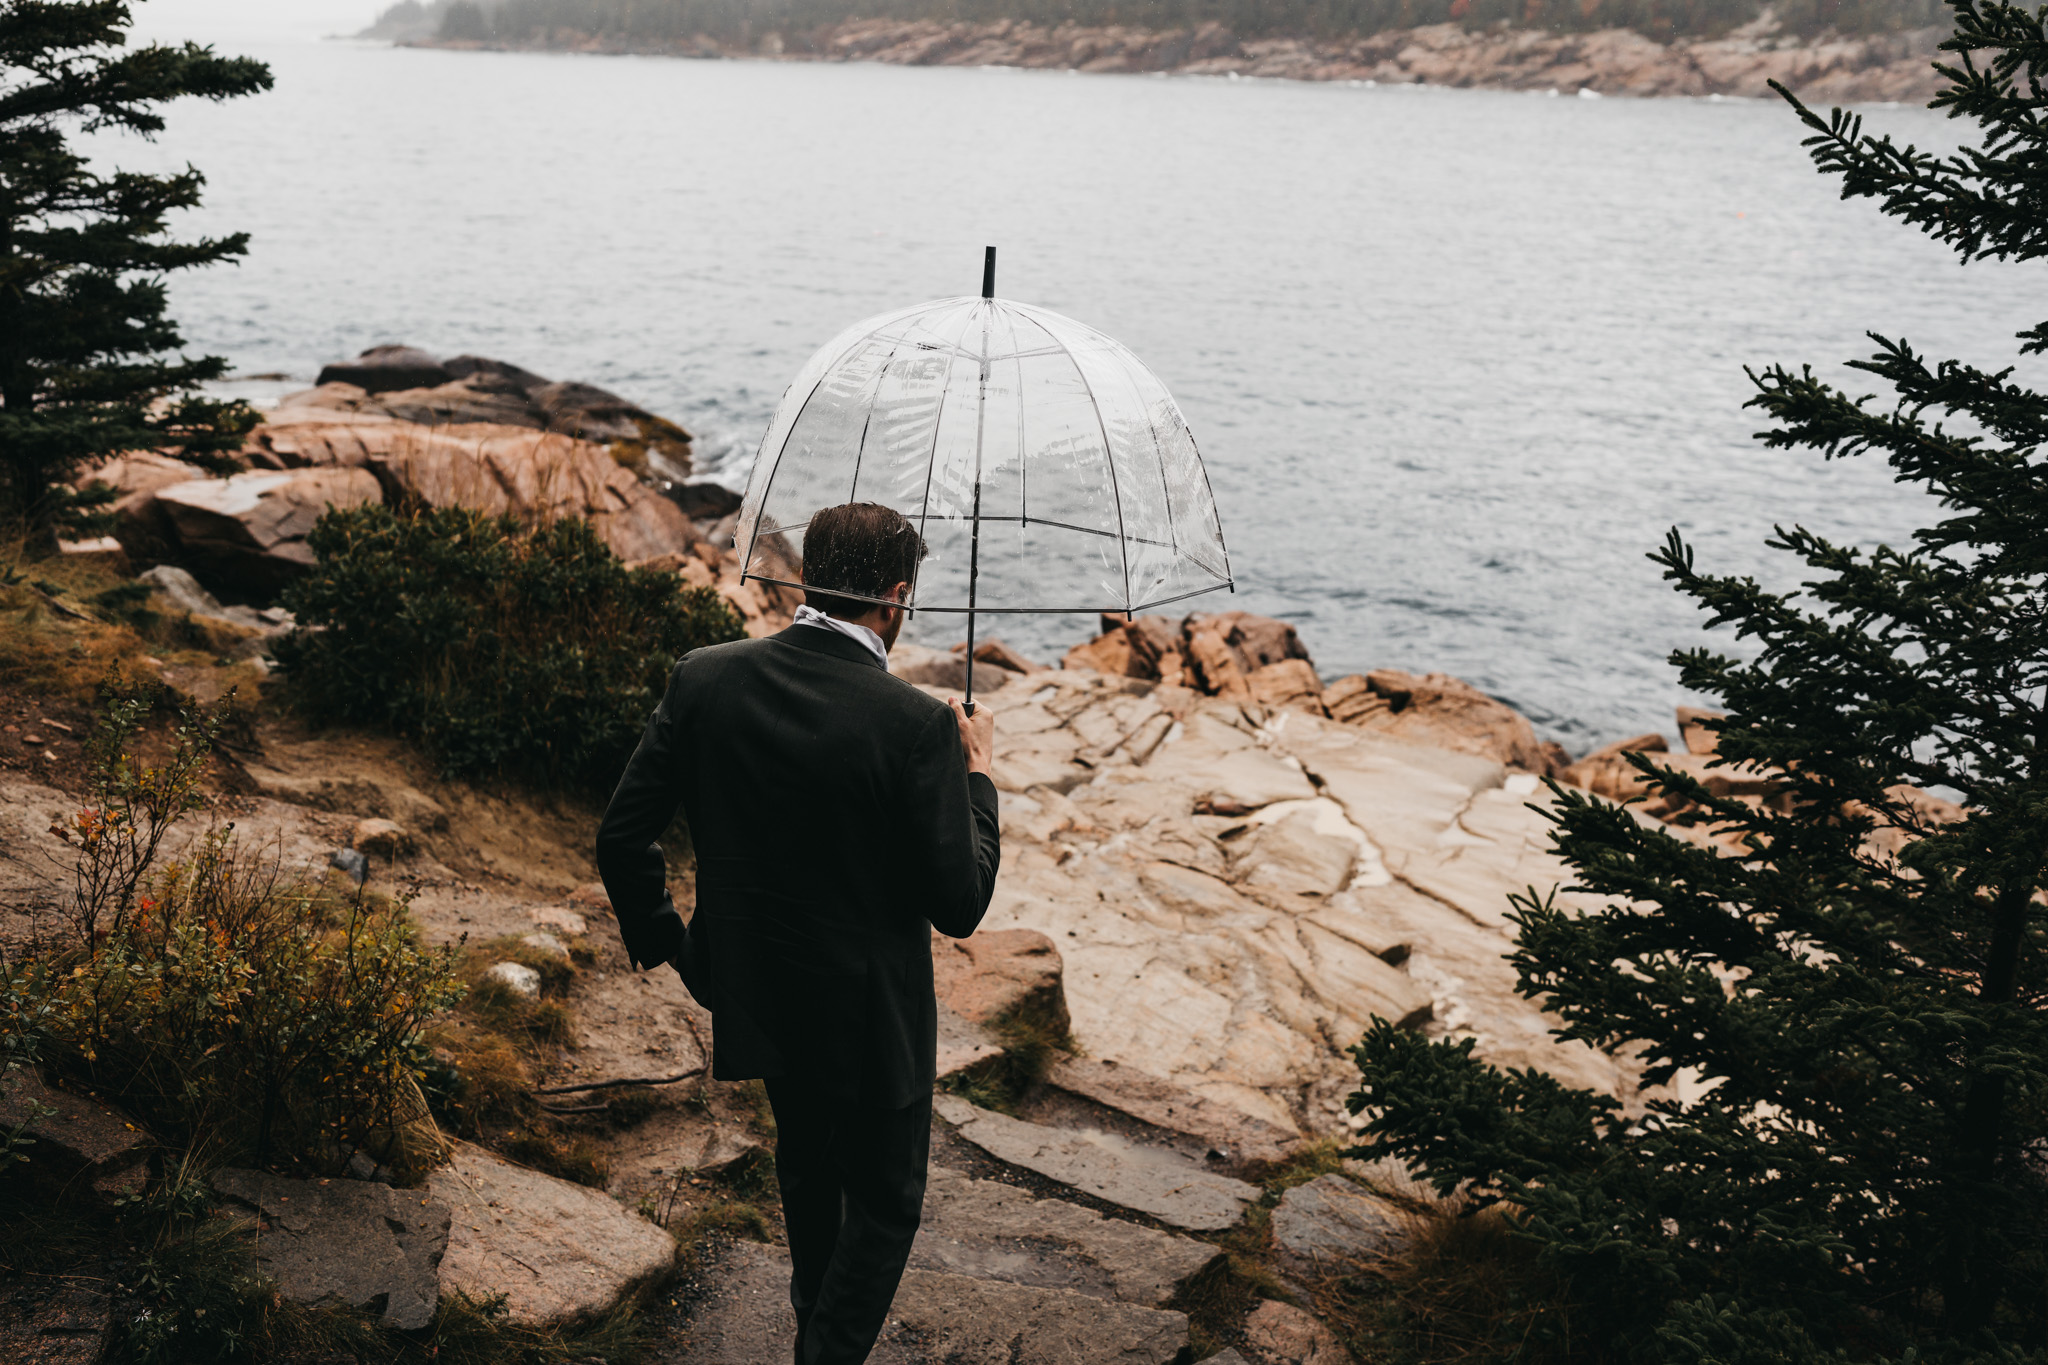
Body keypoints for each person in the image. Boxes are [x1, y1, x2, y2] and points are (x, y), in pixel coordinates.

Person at [595, 501, 1000, 1365]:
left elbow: (621, 837)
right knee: (884, 1205)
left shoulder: (704, 675)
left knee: (810, 1186)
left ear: (811, 572)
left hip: (760, 992)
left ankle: (813, 1334)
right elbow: (961, 902)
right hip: (872, 1022)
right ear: (895, 597)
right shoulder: (918, 724)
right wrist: (977, 779)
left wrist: (683, 950)